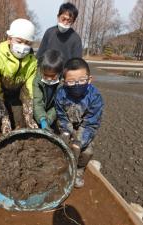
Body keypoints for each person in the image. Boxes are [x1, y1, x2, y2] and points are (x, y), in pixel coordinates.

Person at [55, 58, 103, 188]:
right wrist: (67, 133)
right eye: (71, 82)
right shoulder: (61, 94)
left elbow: (91, 123)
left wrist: (78, 141)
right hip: (68, 126)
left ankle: (79, 170)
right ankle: (63, 168)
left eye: (82, 80)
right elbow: (61, 117)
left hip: (85, 128)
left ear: (89, 79)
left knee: (86, 152)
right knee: (62, 146)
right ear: (64, 82)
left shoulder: (95, 97)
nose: (77, 84)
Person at [0, 18, 38, 134]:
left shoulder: (32, 61)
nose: (23, 46)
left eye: (27, 43)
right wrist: (4, 119)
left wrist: (29, 115)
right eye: (19, 41)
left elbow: (28, 89)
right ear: (9, 39)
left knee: (21, 123)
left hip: (15, 95)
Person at [33, 49, 63, 131]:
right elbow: (37, 102)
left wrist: (48, 120)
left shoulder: (62, 84)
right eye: (45, 75)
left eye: (53, 76)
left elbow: (58, 105)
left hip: (52, 111)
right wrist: (42, 119)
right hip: (39, 111)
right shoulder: (37, 81)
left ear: (60, 72)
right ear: (41, 70)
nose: (49, 79)